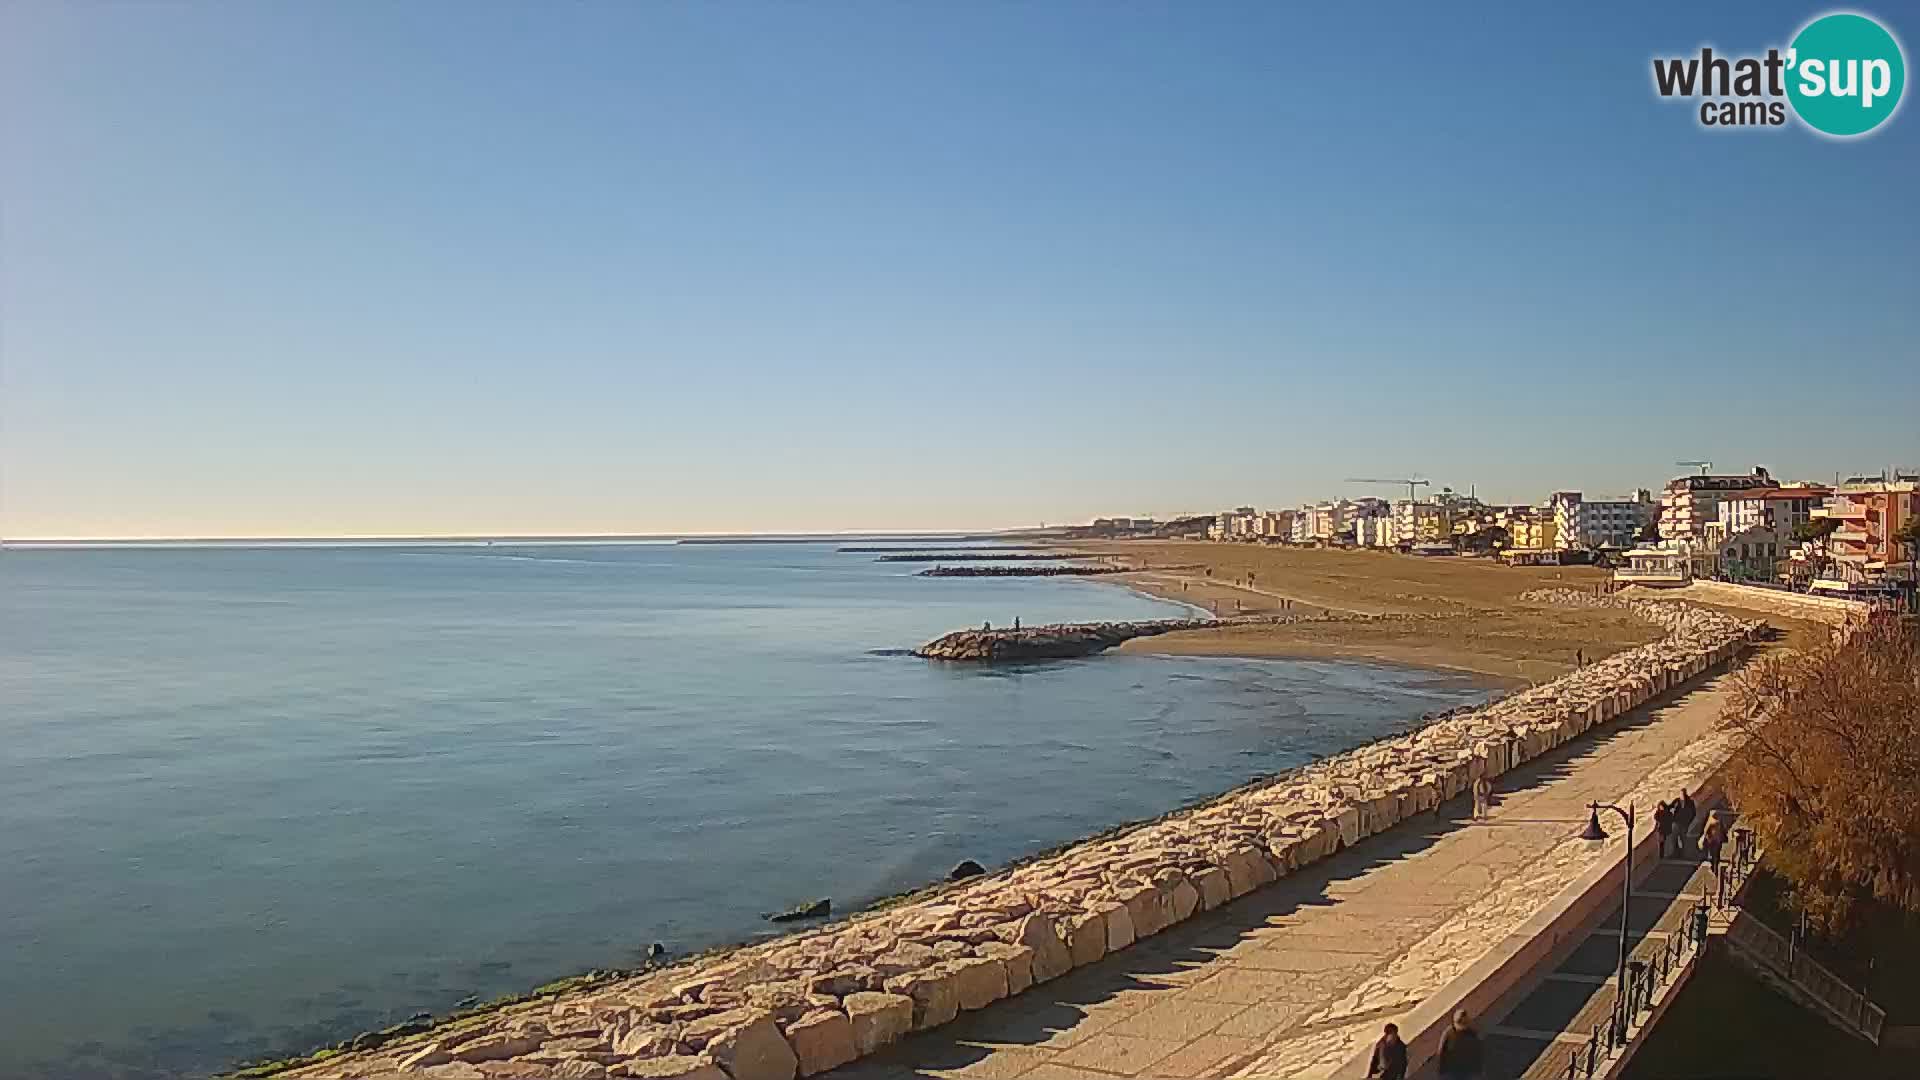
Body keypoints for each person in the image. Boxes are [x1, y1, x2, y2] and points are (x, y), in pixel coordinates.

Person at [1438, 1010, 1484, 1080]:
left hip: (1467, 1070)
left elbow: (1478, 1052)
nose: (1463, 1027)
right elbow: (1441, 1053)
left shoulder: (1471, 1034)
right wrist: (1442, 1071)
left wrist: (1478, 1070)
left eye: (1465, 1023)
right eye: (1461, 1023)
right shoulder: (1448, 1033)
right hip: (1452, 1070)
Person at [1674, 790, 1697, 854]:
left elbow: (1693, 812)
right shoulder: (1677, 801)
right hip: (1678, 822)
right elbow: (1674, 809)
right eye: (1680, 794)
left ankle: (1685, 850)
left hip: (1685, 823)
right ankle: (1678, 850)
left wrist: (1689, 820)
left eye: (1681, 794)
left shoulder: (1690, 802)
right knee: (1677, 836)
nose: (1680, 795)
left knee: (1684, 836)